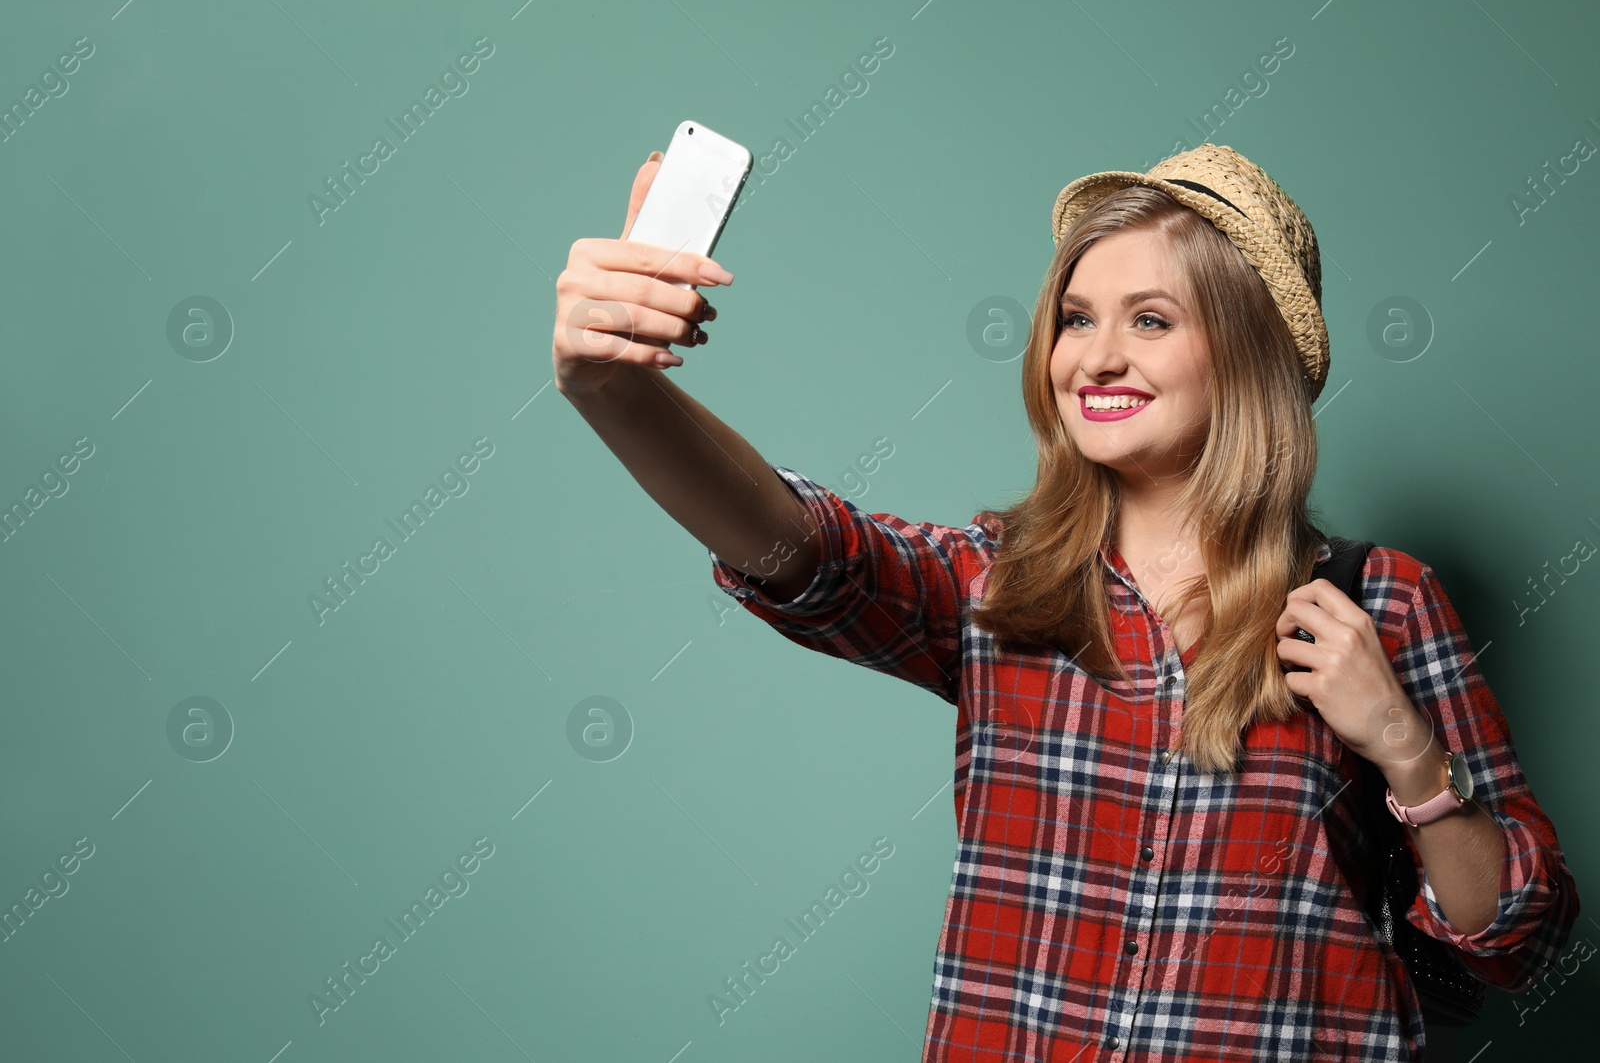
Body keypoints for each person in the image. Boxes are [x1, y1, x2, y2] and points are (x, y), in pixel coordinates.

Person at [552, 142, 1580, 1062]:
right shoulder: (999, 587)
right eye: (1076, 318)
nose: (1094, 355)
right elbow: (803, 547)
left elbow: (1514, 934)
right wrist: (617, 389)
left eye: (1150, 319)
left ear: (1247, 351)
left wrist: (1404, 747)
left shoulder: (1378, 601)